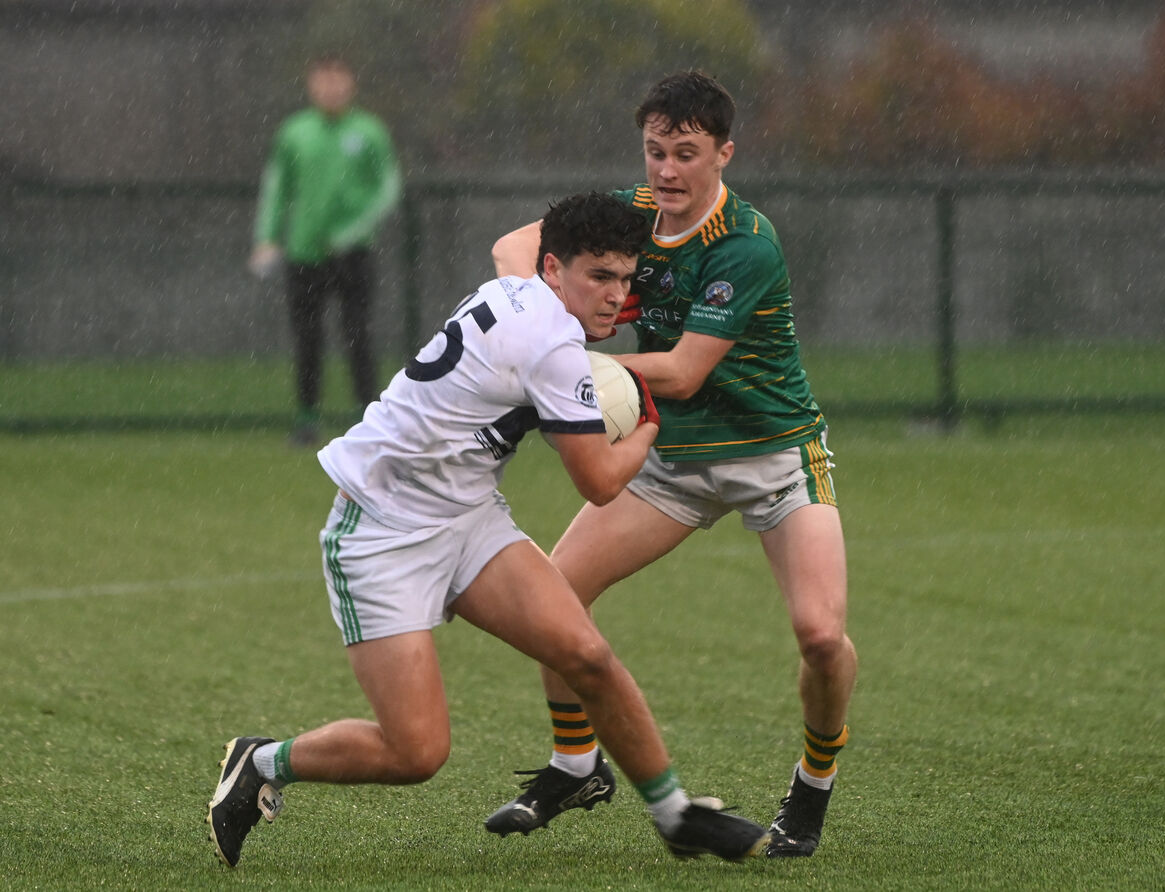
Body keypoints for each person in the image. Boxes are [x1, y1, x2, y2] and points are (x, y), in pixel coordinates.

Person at [207, 192, 770, 869]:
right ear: (556, 269)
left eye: (626, 279)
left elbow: (513, 249)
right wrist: (646, 422)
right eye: (600, 278)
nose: (614, 298)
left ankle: (676, 815)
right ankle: (262, 761)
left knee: (585, 654)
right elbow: (598, 483)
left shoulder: (520, 288)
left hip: (466, 516)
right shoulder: (552, 346)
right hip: (381, 532)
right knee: (416, 753)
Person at [485, 72, 858, 859]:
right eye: (656, 152)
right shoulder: (636, 214)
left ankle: (813, 784)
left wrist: (575, 363)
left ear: (724, 153)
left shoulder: (745, 243)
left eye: (686, 154)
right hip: (672, 462)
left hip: (774, 458)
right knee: (555, 599)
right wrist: (551, 319)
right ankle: (574, 764)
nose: (667, 171)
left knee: (820, 636)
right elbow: (514, 249)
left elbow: (686, 371)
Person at [249, 54, 401, 446]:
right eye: (323, 81)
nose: (331, 89)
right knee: (307, 337)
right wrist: (267, 237)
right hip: (305, 254)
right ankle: (306, 419)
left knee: (357, 334)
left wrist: (351, 232)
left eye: (338, 80)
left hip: (353, 256)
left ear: (350, 84)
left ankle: (368, 422)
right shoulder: (294, 132)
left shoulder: (369, 131)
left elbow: (386, 189)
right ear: (311, 85)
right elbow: (277, 188)